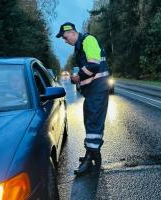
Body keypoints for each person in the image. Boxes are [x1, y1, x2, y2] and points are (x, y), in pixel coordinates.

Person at [56, 22, 110, 176]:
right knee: (90, 120)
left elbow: (93, 64)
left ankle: (90, 159)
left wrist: (77, 76)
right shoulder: (79, 46)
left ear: (72, 32)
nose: (65, 41)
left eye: (65, 37)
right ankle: (93, 154)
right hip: (93, 90)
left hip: (98, 89)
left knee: (93, 122)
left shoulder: (88, 40)